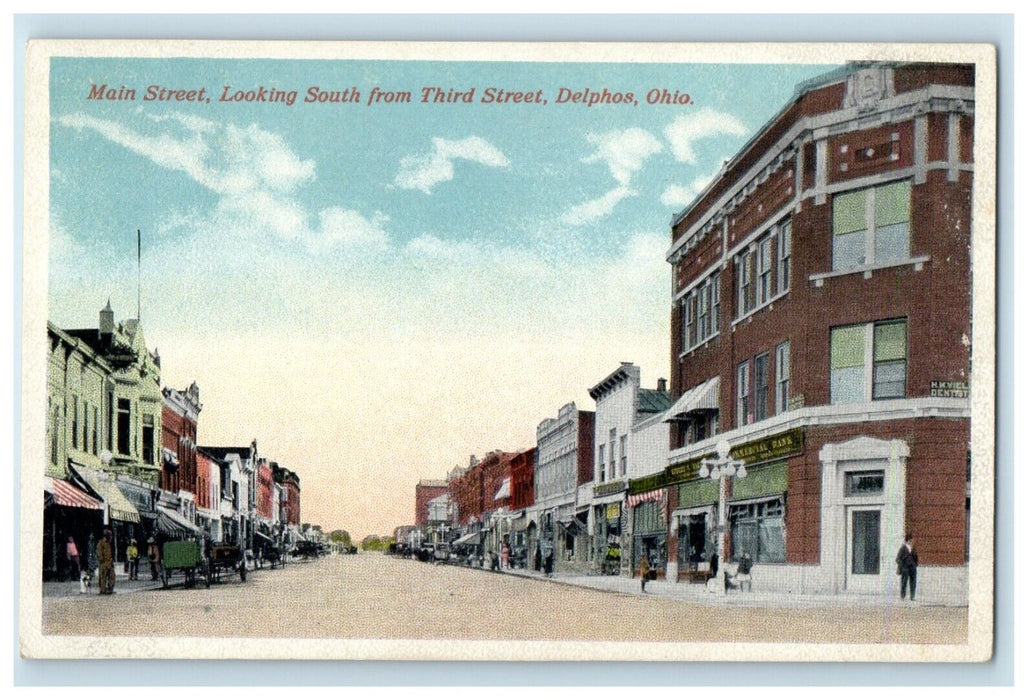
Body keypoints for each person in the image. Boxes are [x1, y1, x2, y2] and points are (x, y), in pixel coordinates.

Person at [896, 533, 919, 601]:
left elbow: (916, 557)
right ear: (908, 540)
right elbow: (898, 559)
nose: (912, 541)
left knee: (913, 582)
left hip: (912, 567)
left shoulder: (913, 548)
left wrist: (915, 564)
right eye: (911, 539)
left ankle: (912, 596)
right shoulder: (903, 548)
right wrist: (902, 565)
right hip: (905, 567)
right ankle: (902, 596)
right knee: (904, 582)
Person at [97, 528, 115, 595]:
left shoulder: (108, 544)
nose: (111, 537)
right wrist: (102, 561)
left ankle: (110, 589)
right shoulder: (101, 543)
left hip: (109, 562)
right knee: (103, 577)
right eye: (110, 536)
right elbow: (99, 553)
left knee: (112, 576)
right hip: (104, 563)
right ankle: (103, 590)